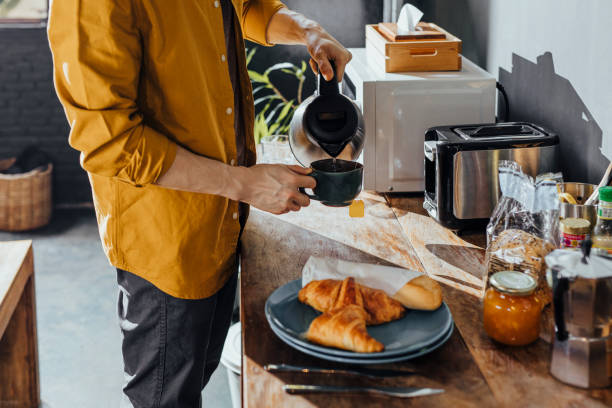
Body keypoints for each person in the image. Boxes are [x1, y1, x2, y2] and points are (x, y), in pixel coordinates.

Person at [48, 0, 350, 406]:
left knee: (198, 374)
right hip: (168, 244)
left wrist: (306, 30)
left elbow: (246, 7)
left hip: (221, 220)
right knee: (166, 398)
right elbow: (110, 141)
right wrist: (241, 183)